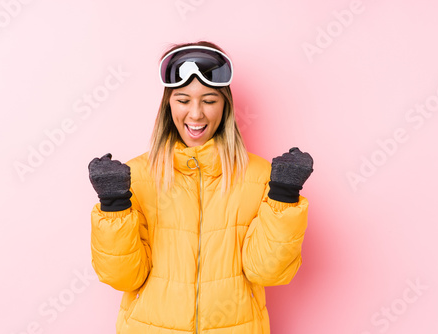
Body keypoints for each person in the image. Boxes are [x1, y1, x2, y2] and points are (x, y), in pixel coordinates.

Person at [88, 41, 314, 334]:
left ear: (226, 106)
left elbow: (267, 272)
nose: (195, 114)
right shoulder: (134, 177)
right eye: (183, 100)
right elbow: (124, 278)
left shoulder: (261, 177)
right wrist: (114, 206)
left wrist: (283, 197)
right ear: (168, 105)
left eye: (209, 100)